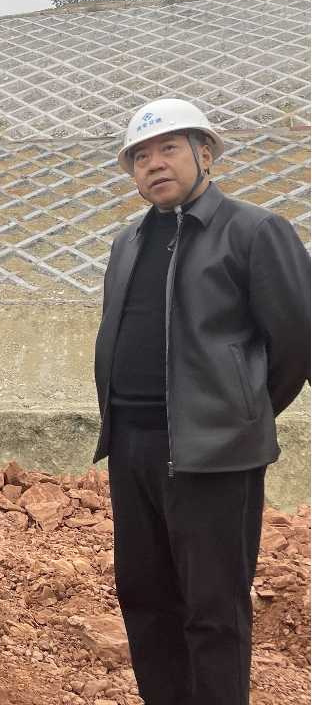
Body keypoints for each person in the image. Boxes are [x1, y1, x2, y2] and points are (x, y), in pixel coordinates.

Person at [94, 98, 310, 705]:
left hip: (214, 454)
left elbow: (297, 340)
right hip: (132, 446)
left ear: (205, 153)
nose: (154, 164)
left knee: (214, 611)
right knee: (145, 598)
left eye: (169, 148)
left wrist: (239, 413)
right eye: (141, 156)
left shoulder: (254, 230)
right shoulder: (129, 241)